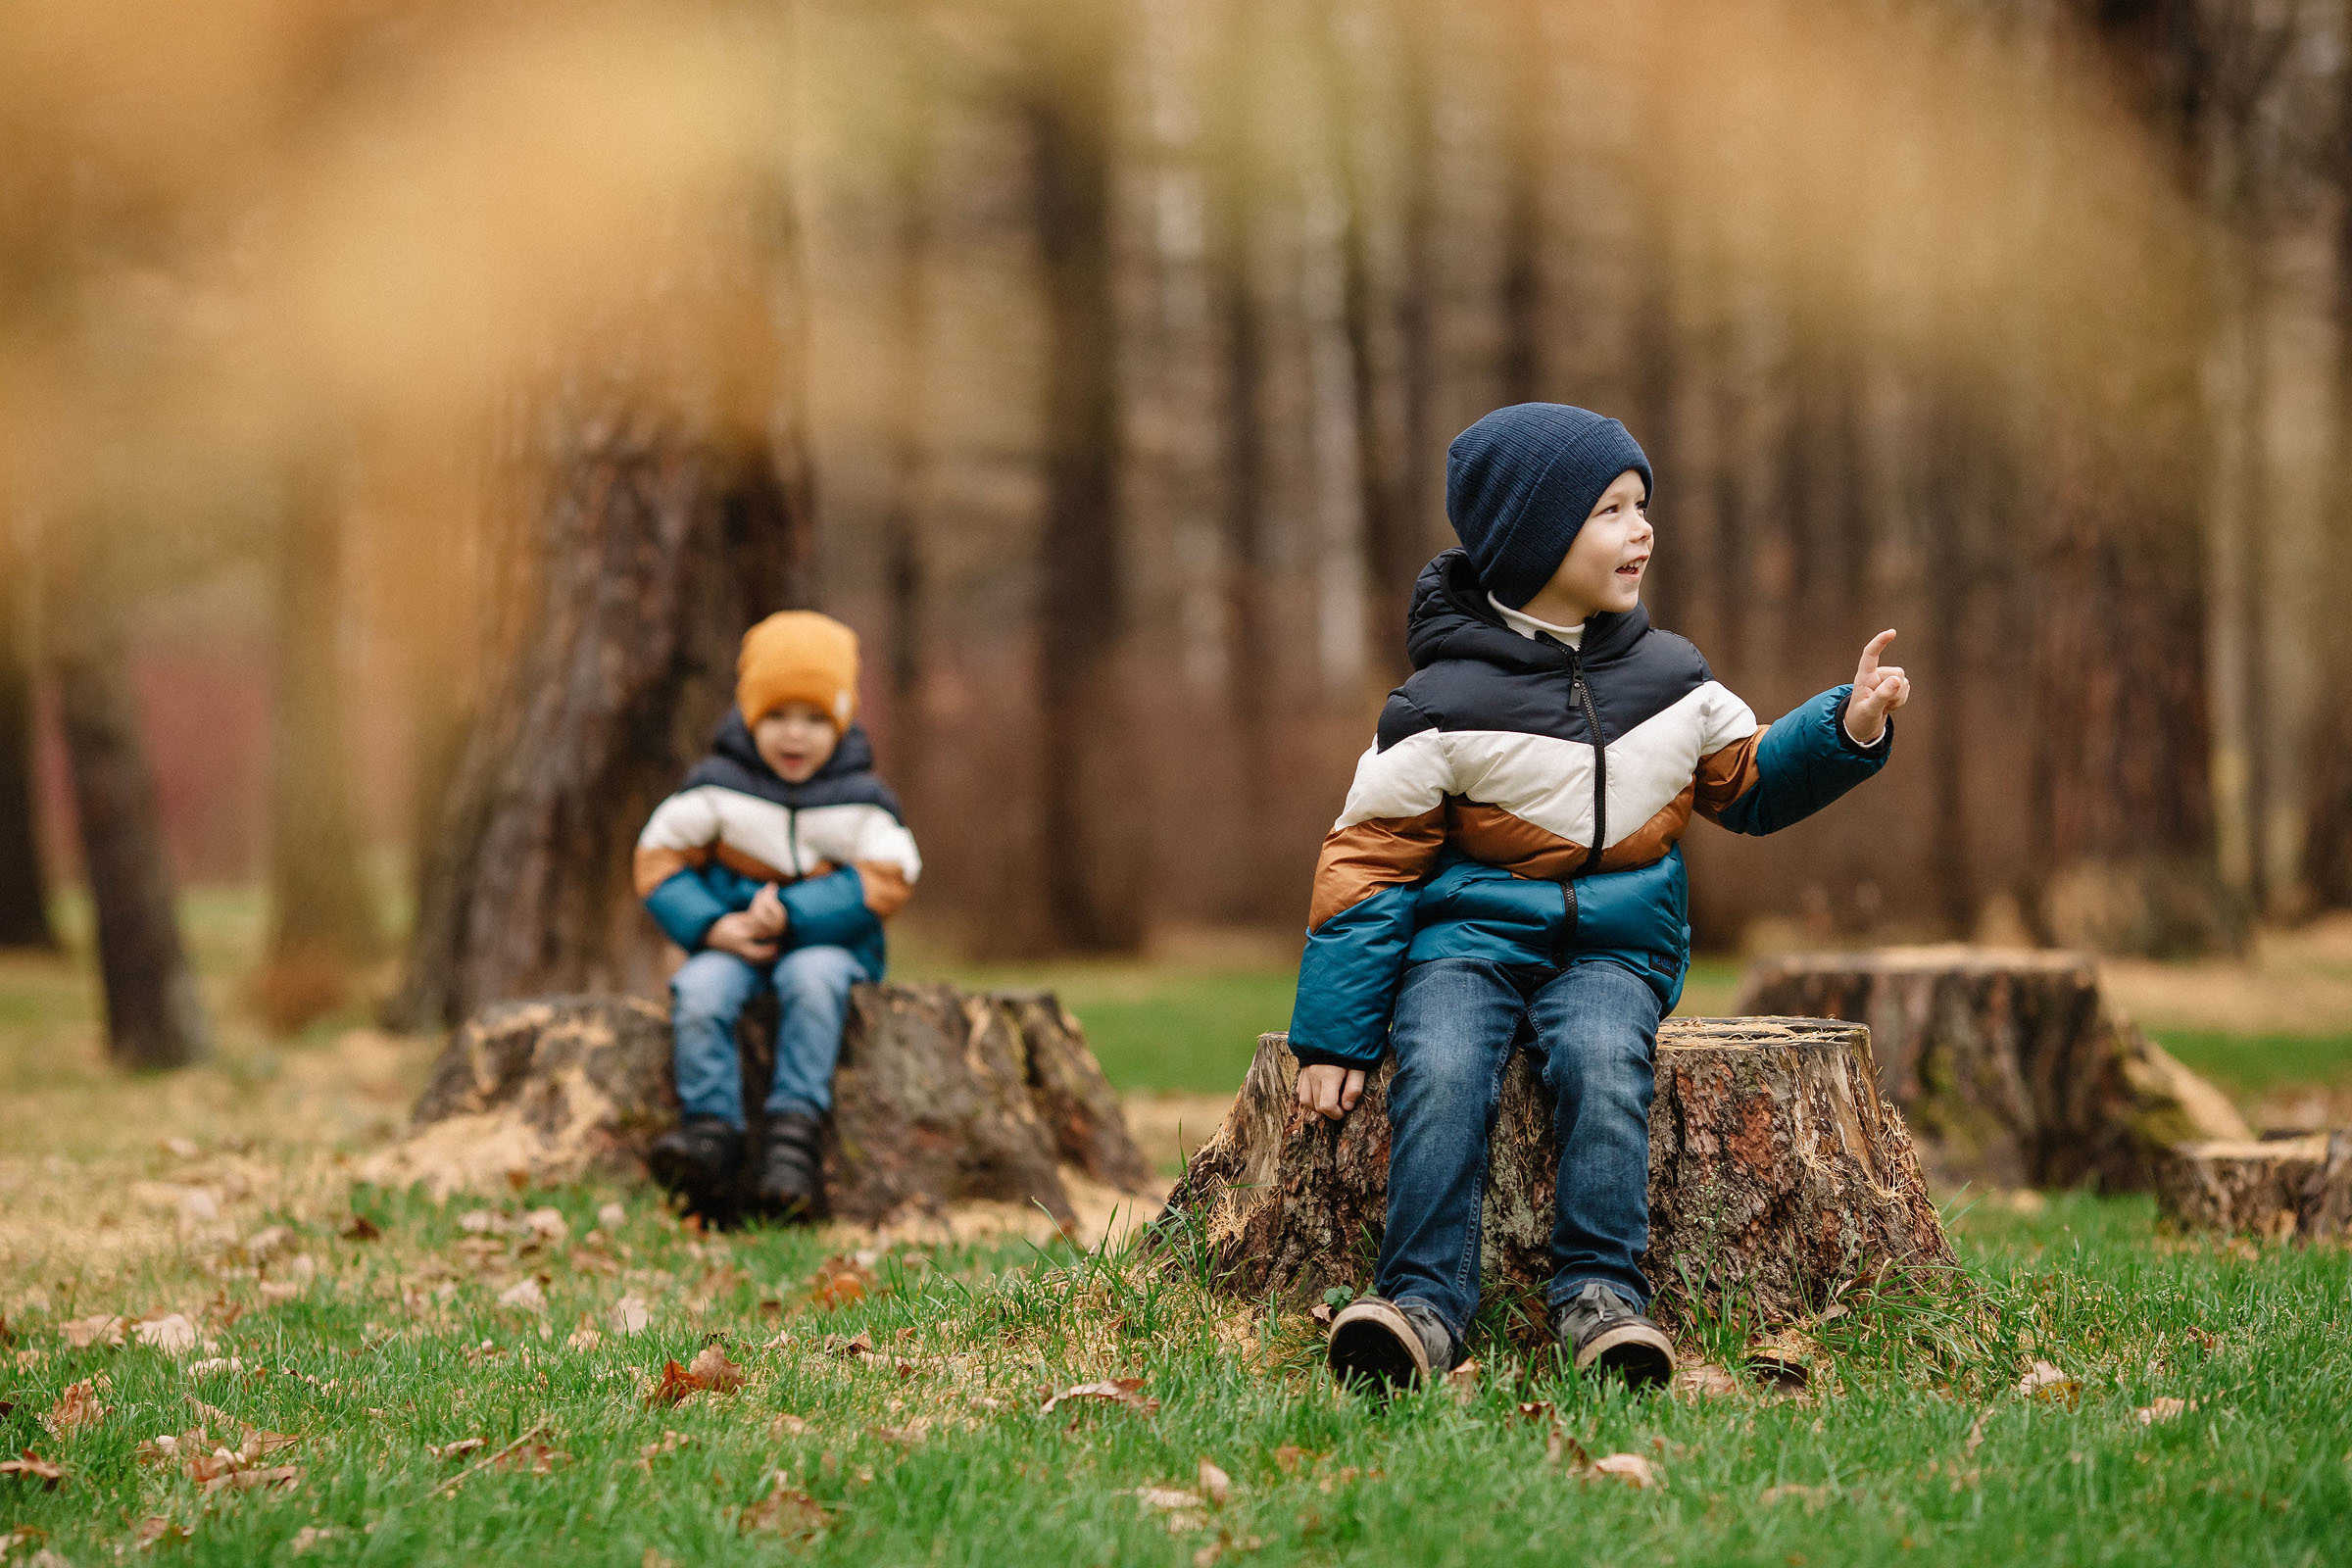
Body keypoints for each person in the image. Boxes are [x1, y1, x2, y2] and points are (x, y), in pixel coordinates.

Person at [1292, 403, 1910, 1389]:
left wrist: (1850, 724)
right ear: (1533, 538)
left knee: (1599, 1060)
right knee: (1444, 1064)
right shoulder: (1439, 704)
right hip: (1467, 947)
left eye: (1642, 505)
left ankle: (1602, 1302)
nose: (1643, 528)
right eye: (1612, 510)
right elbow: (1368, 860)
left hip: (1615, 950)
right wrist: (1330, 1033)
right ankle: (1418, 1305)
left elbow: (1747, 782)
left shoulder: (1674, 679)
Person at [633, 611, 921, 1222]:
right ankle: (712, 1135)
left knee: (810, 980)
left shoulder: (862, 799)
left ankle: (793, 1138)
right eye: (778, 717)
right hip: (733, 944)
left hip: (829, 948)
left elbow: (891, 873)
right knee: (701, 989)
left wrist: (793, 914)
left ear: (842, 721)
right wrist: (713, 926)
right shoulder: (717, 788)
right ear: (749, 715)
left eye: (816, 719)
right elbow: (657, 857)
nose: (796, 736)